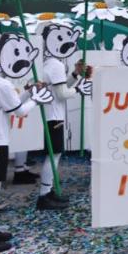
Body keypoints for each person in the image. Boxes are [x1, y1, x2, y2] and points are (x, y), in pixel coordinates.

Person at [0, 32, 54, 254]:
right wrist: (36, 99)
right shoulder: (0, 84)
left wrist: (29, 92)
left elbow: (11, 104)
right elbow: (19, 111)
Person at [35, 22, 92, 210]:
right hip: (54, 116)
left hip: (51, 115)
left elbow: (61, 87)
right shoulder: (56, 65)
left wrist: (75, 74)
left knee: (54, 156)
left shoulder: (49, 63)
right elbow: (63, 94)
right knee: (54, 156)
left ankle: (48, 191)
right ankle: (44, 195)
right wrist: (79, 88)